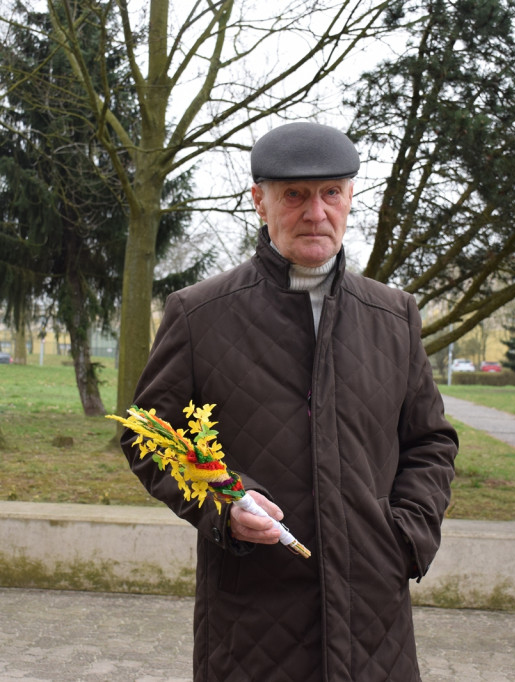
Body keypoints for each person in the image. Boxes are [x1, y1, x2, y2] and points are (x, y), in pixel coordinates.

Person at [122, 121, 458, 681]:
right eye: (294, 195)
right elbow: (149, 436)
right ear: (260, 201)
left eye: (332, 193)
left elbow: (430, 441)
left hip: (374, 614)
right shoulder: (199, 314)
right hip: (252, 616)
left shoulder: (393, 316)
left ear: (351, 198)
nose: (316, 212)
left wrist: (405, 537)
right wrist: (225, 504)